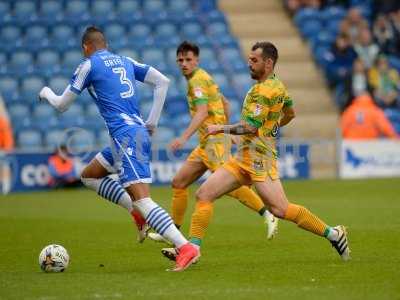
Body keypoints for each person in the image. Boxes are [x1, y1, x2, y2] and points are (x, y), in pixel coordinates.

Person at [164, 42, 351, 264]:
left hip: (259, 160)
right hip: (243, 157)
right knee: (204, 194)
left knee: (281, 209)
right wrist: (271, 128)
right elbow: (290, 113)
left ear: (268, 62)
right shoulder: (277, 86)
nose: (249, 64)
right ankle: (192, 248)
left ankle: (334, 234)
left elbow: (251, 127)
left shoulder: (264, 91)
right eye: (250, 59)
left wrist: (221, 128)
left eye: (254, 60)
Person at [38, 26, 199, 271]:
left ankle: (185, 247)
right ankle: (135, 212)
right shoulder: (124, 60)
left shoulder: (88, 65)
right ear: (105, 43)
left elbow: (61, 105)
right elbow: (162, 82)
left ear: (85, 47)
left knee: (144, 200)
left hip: (126, 137)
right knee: (89, 176)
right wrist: (152, 122)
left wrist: (46, 92)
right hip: (127, 136)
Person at [148, 41, 278, 248]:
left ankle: (268, 212)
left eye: (188, 60)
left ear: (196, 60)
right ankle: (172, 231)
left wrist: (183, 137)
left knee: (229, 185)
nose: (183, 64)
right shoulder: (205, 77)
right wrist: (228, 130)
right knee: (179, 182)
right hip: (206, 143)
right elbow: (224, 102)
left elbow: (202, 112)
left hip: (213, 143)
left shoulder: (197, 81)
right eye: (180, 60)